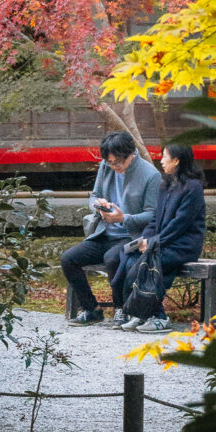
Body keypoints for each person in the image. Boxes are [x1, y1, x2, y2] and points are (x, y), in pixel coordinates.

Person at [62, 131, 162, 326]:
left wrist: (124, 218)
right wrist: (98, 205)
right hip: (104, 233)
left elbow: (153, 214)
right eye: (110, 162)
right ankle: (92, 310)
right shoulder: (106, 167)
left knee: (113, 258)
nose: (114, 167)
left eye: (118, 163)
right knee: (69, 259)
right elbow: (94, 195)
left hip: (132, 238)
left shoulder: (151, 175)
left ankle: (121, 309)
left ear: (131, 153)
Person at [118, 143, 206, 335]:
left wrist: (154, 242)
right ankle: (144, 313)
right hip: (164, 242)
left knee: (150, 262)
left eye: (164, 156)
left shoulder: (193, 187)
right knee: (130, 258)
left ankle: (158, 317)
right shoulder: (166, 185)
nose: (161, 160)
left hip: (184, 244)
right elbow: (156, 219)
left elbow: (180, 223)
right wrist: (145, 239)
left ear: (176, 160)